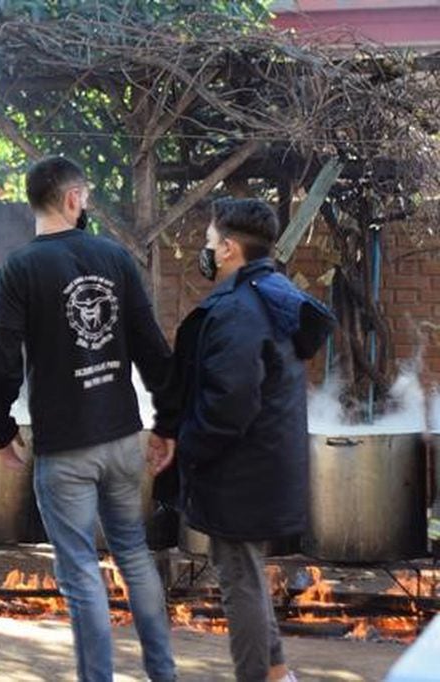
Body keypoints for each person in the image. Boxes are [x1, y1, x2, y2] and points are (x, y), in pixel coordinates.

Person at [0, 156, 177, 682]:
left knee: (82, 574)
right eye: (85, 196)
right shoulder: (114, 258)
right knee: (134, 556)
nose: (86, 204)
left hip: (65, 449)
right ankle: (164, 674)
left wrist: (1, 428)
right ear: (72, 199)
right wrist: (167, 423)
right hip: (120, 438)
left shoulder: (20, 269)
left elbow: (1, 359)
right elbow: (154, 351)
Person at [149, 198, 335, 682]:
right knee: (245, 574)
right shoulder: (274, 296)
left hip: (240, 472)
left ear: (230, 248)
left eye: (209, 243)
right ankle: (276, 676)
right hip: (264, 465)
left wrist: (189, 449)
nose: (205, 251)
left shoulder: (238, 312)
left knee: (240, 584)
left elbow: (230, 403)